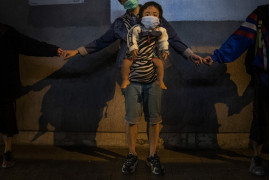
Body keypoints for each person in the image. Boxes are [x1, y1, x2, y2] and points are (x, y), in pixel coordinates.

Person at [64, 0, 203, 175]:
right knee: (131, 117)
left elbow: (173, 38)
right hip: (131, 77)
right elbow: (101, 42)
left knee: (154, 117)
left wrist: (190, 55)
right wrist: (77, 51)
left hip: (153, 74)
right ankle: (132, 155)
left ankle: (153, 155)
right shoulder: (120, 23)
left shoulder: (153, 15)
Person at [203, 5, 268, 176]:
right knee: (260, 118)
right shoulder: (262, 14)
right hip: (264, 77)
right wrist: (217, 56)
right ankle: (257, 158)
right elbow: (241, 38)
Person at [0, 23, 65, 168]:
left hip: (4, 86)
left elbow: (30, 45)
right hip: (5, 86)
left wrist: (54, 50)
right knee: (6, 118)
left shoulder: (6, 33)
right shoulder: (6, 32)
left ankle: (7, 151)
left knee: (6, 119)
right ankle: (7, 152)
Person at [121, 4, 169, 90]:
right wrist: (133, 48)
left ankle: (160, 81)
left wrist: (164, 49)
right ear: (141, 16)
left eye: (155, 15)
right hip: (135, 53)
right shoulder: (137, 28)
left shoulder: (160, 30)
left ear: (159, 17)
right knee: (126, 63)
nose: (151, 17)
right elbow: (131, 37)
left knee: (160, 64)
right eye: (147, 14)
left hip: (149, 54)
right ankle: (125, 80)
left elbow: (163, 40)